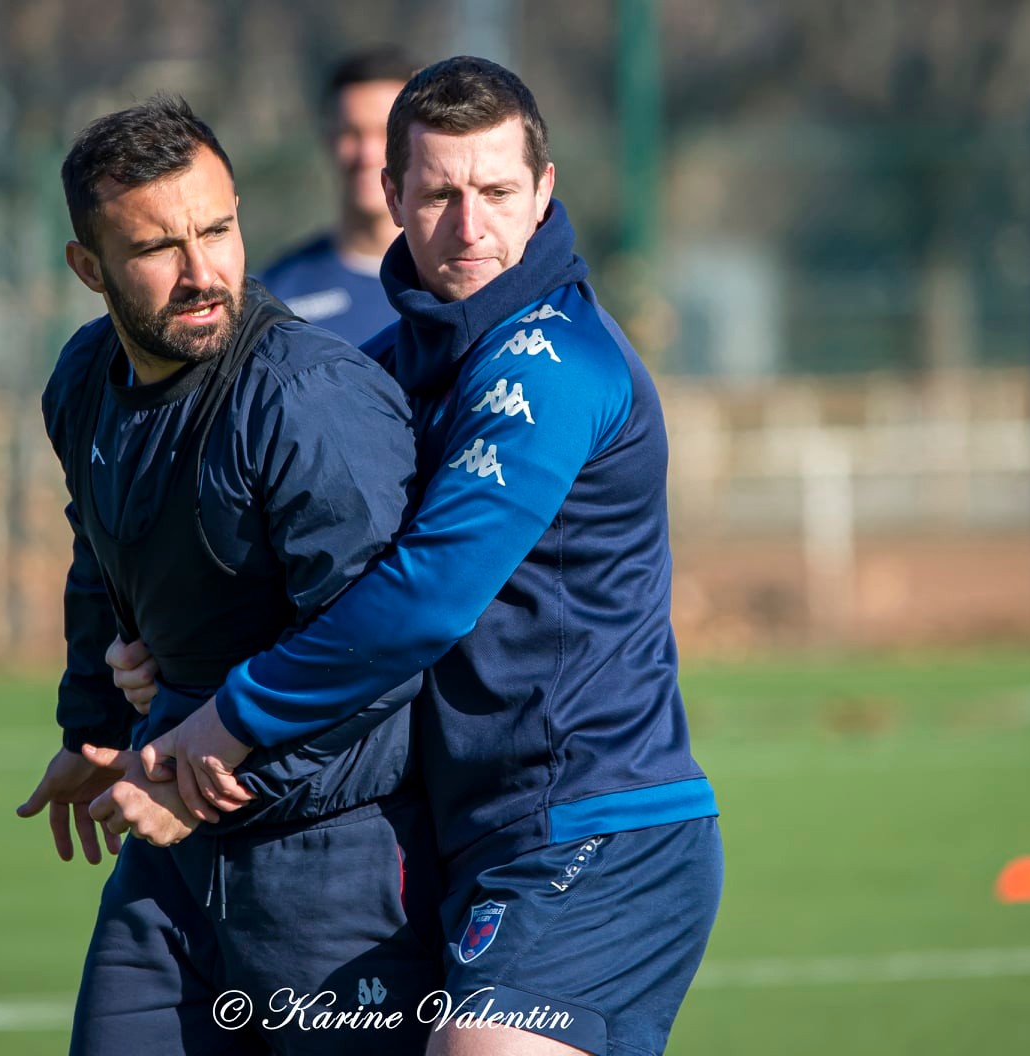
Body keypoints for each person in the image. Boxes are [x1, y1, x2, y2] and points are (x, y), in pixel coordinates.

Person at [145, 58, 723, 1056]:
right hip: (468, 833)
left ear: (543, 193)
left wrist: (234, 715)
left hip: (596, 823)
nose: (470, 227)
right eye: (441, 193)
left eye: (498, 192)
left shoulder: (547, 366)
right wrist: (153, 648)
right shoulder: (403, 363)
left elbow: (424, 600)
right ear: (392, 196)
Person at [14, 95, 443, 1056]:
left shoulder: (308, 399)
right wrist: (93, 728)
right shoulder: (82, 381)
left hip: (339, 862)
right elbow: (99, 550)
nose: (203, 272)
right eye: (158, 248)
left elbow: (380, 655)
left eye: (219, 228)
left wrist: (198, 778)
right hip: (169, 856)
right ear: (89, 269)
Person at [258, 46, 418, 345]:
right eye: (351, 133)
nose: (367, 154)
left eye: (386, 133)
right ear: (328, 139)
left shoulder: (465, 280)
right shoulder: (276, 296)